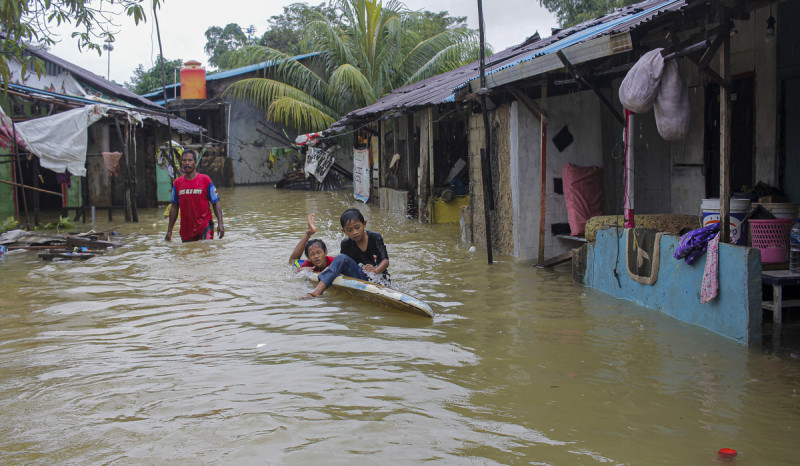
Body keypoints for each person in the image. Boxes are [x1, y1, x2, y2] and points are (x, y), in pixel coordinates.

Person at [304, 208, 389, 298]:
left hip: (379, 279)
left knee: (341, 258)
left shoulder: (375, 237)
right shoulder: (346, 244)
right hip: (360, 276)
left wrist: (375, 271)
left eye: (357, 227)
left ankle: (318, 291)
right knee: (341, 258)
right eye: (349, 230)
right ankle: (317, 292)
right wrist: (330, 269)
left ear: (364, 224)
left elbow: (385, 261)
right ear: (344, 231)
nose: (354, 232)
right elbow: (344, 264)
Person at [165, 149, 225, 242]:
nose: (186, 163)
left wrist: (220, 224)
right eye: (184, 160)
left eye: (190, 160)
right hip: (186, 229)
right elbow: (174, 207)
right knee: (189, 253)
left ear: (195, 163)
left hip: (205, 225)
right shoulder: (177, 183)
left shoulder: (205, 180)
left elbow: (215, 202)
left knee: (206, 251)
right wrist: (169, 231)